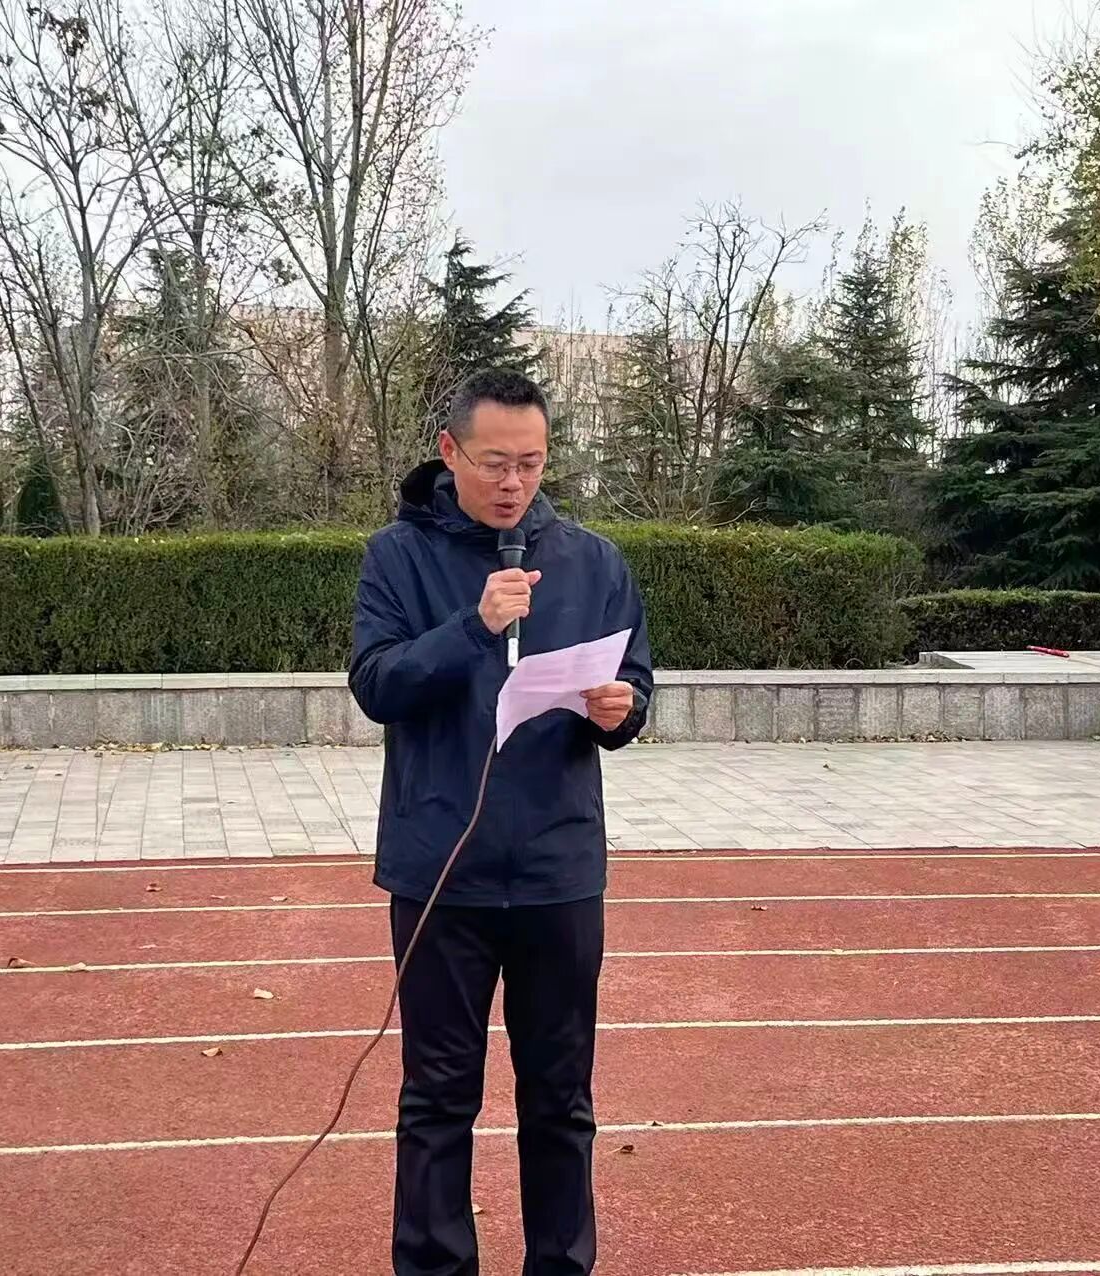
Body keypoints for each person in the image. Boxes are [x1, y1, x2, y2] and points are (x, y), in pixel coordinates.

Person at [349, 368, 654, 1276]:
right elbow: (376, 685)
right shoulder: (396, 556)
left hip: (559, 870)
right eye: (494, 463)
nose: (513, 482)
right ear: (450, 452)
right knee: (438, 1098)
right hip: (442, 868)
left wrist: (622, 710)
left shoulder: (592, 560)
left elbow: (636, 681)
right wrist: (472, 627)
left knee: (561, 1099)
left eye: (531, 462)